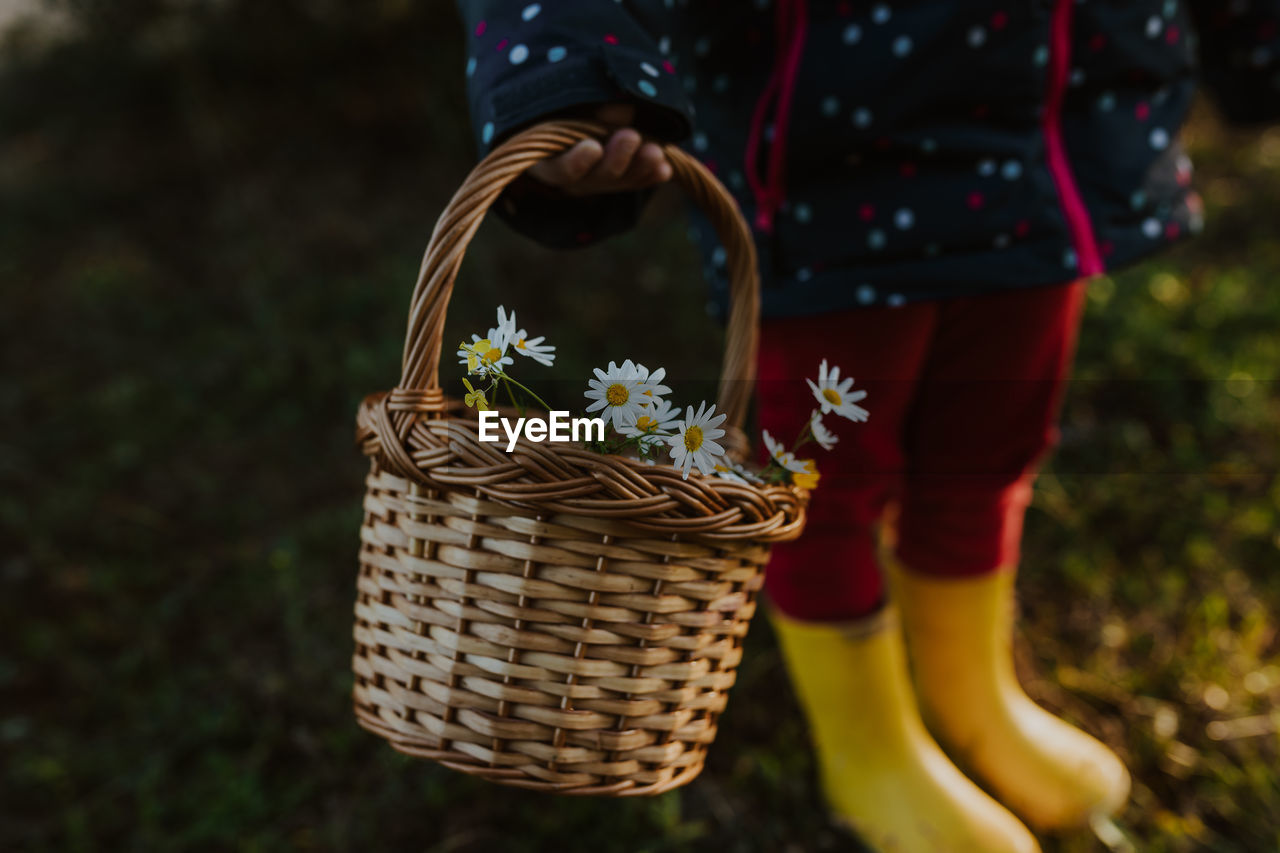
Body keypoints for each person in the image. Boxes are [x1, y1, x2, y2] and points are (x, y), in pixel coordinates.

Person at [453, 2, 1280, 850]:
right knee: (822, 487)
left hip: (1053, 134)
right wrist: (563, 74)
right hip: (835, 167)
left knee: (988, 447)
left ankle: (970, 695)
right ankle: (870, 746)